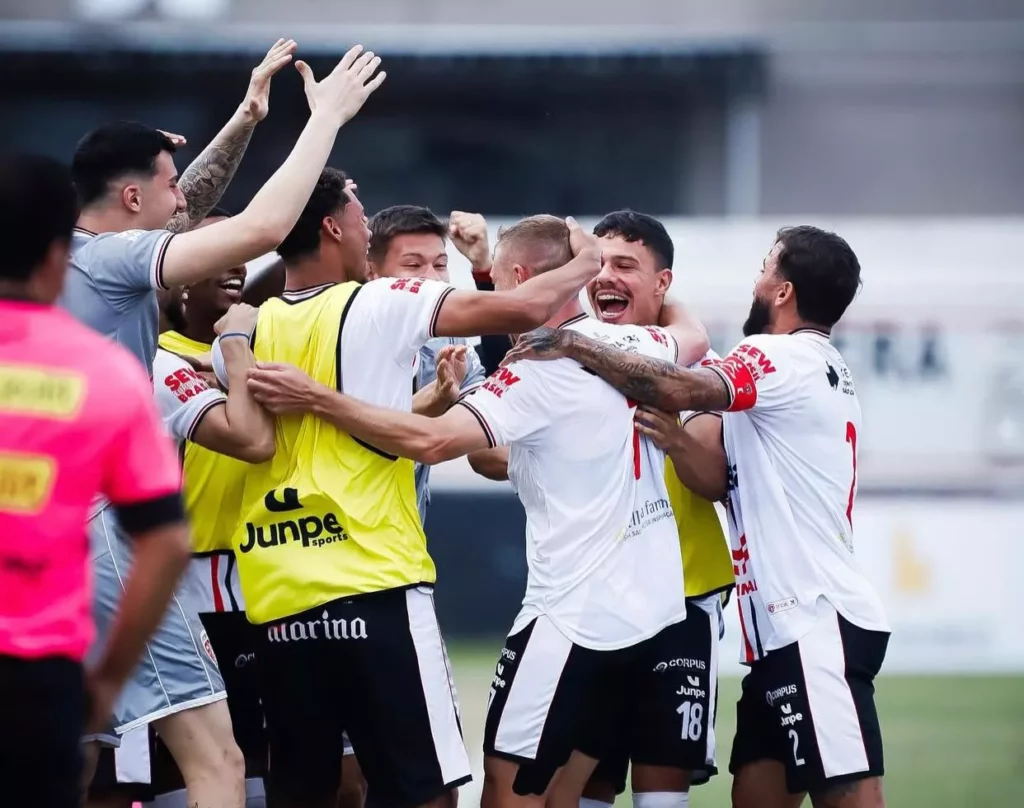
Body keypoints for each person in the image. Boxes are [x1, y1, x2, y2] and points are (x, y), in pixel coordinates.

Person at [245, 215, 711, 808]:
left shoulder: (533, 376)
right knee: (572, 790)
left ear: (517, 277)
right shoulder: (629, 345)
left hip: (571, 621)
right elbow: (691, 334)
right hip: (654, 614)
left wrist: (316, 399)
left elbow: (432, 443)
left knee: (507, 788)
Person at [208, 185, 600, 808]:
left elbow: (257, 440)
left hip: (277, 593)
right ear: (336, 229)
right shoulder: (382, 302)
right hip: (375, 582)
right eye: (359, 215)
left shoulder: (247, 331)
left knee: (306, 792)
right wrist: (586, 258)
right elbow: (526, 310)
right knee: (424, 793)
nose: (366, 225)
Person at [503, 226, 892, 808]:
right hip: (775, 633)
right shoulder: (818, 363)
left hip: (809, 617)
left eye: (764, 267)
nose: (754, 280)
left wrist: (572, 344)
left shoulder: (774, 355)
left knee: (848, 792)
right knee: (756, 793)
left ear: (782, 291)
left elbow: (679, 386)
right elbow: (714, 464)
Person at [471, 210, 733, 808]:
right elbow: (491, 455)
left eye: (627, 266)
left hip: (683, 602)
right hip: (595, 607)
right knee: (580, 783)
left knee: (661, 784)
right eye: (601, 263)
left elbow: (716, 481)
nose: (608, 277)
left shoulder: (687, 371)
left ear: (662, 284)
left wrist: (679, 439)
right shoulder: (558, 363)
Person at [0, 154, 190, 808]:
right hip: (41, 678)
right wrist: (109, 679)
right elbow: (165, 542)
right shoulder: (107, 373)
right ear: (58, 258)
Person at [63, 41, 385, 371]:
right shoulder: (112, 256)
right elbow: (263, 229)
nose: (181, 200)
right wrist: (327, 118)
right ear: (132, 198)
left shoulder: (71, 252)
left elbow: (190, 208)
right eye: (172, 186)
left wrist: (246, 117)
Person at [366, 204, 488, 519]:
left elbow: (490, 449)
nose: (432, 279)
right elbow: (352, 434)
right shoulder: (341, 329)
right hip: (333, 543)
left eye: (440, 264)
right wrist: (434, 399)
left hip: (407, 544)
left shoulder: (450, 342)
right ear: (371, 273)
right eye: (414, 265)